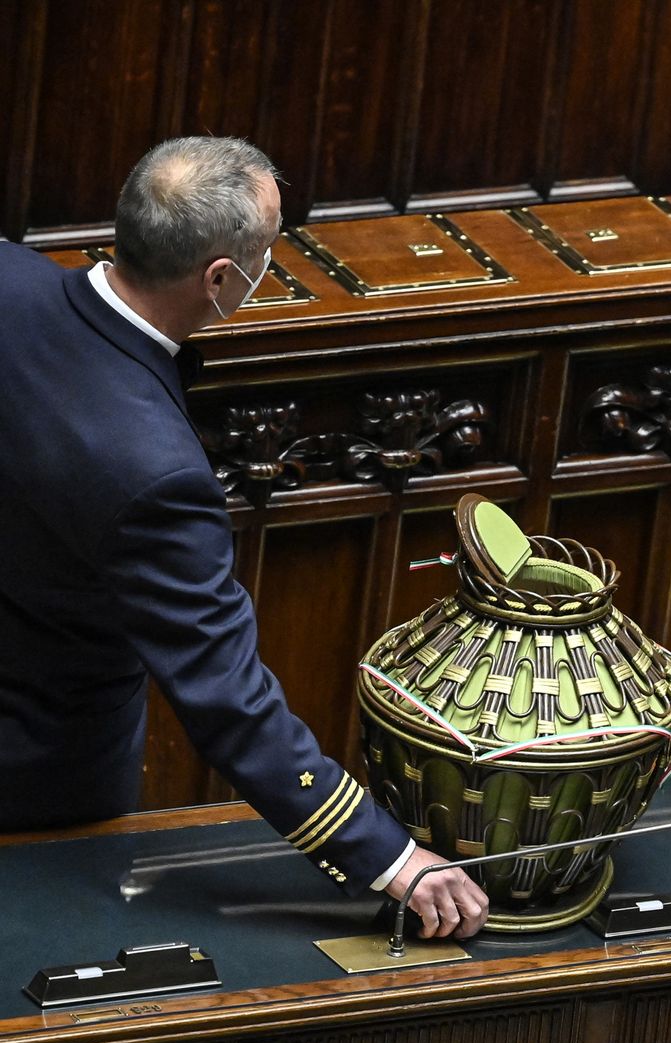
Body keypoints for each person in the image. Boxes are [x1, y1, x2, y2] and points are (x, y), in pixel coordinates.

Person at [0, 137, 487, 939]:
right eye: (269, 250)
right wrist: (391, 858)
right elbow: (229, 701)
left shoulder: (9, 276)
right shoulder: (158, 475)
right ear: (220, 281)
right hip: (42, 775)